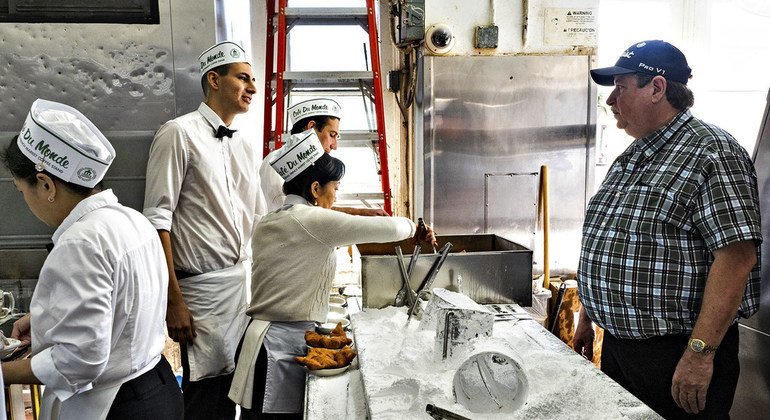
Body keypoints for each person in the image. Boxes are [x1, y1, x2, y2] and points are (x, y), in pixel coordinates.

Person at [573, 40, 762, 419]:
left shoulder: (712, 152)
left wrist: (699, 354)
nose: (611, 101)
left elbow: (737, 258)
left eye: (621, 88)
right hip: (621, 348)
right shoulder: (635, 155)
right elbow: (611, 239)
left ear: (657, 89)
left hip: (677, 352)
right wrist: (587, 316)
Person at [228, 130, 436, 418]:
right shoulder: (311, 220)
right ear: (315, 189)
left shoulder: (271, 220)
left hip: (260, 343)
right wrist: (416, 228)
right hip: (278, 349)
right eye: (335, 188)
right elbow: (390, 229)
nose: (336, 195)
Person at [2, 99, 182, 419]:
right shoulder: (131, 219)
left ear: (46, 184)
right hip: (158, 387)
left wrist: (5, 372)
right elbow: (126, 308)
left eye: (22, 191)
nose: (27, 202)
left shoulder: (81, 242)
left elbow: (80, 361)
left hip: (117, 406)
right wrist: (46, 321)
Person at [142, 40, 266, 420]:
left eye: (253, 79)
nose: (253, 88)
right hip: (200, 291)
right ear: (214, 79)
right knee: (206, 397)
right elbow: (156, 220)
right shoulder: (178, 133)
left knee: (241, 392)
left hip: (241, 287)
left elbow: (258, 219)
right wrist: (173, 301)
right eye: (243, 78)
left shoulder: (245, 144)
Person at [259, 97, 388, 216]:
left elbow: (309, 208)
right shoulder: (280, 164)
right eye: (332, 135)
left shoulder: (305, 165)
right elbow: (298, 214)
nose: (334, 146)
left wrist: (361, 212)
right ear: (311, 127)